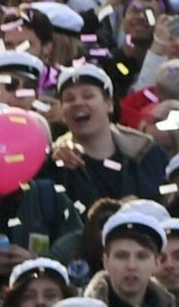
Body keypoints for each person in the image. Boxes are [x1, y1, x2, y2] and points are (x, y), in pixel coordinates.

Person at [45, 68, 165, 209]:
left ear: (109, 104)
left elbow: (168, 201)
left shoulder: (147, 152)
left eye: (88, 96)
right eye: (69, 99)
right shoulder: (56, 164)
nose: (77, 103)